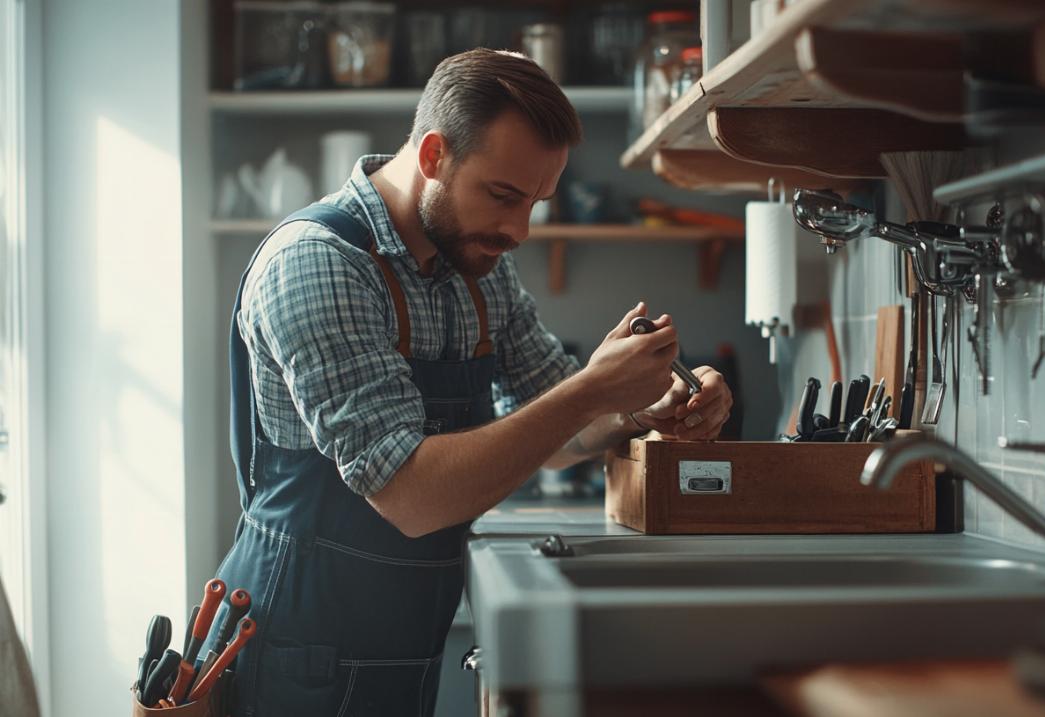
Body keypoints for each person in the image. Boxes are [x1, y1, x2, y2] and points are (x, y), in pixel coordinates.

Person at [215, 48, 733, 716]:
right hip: (294, 652)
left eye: (536, 203)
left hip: (400, 642)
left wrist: (648, 406)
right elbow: (409, 495)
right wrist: (594, 388)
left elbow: (555, 426)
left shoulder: (474, 262)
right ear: (433, 154)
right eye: (504, 196)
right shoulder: (319, 263)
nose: (519, 230)